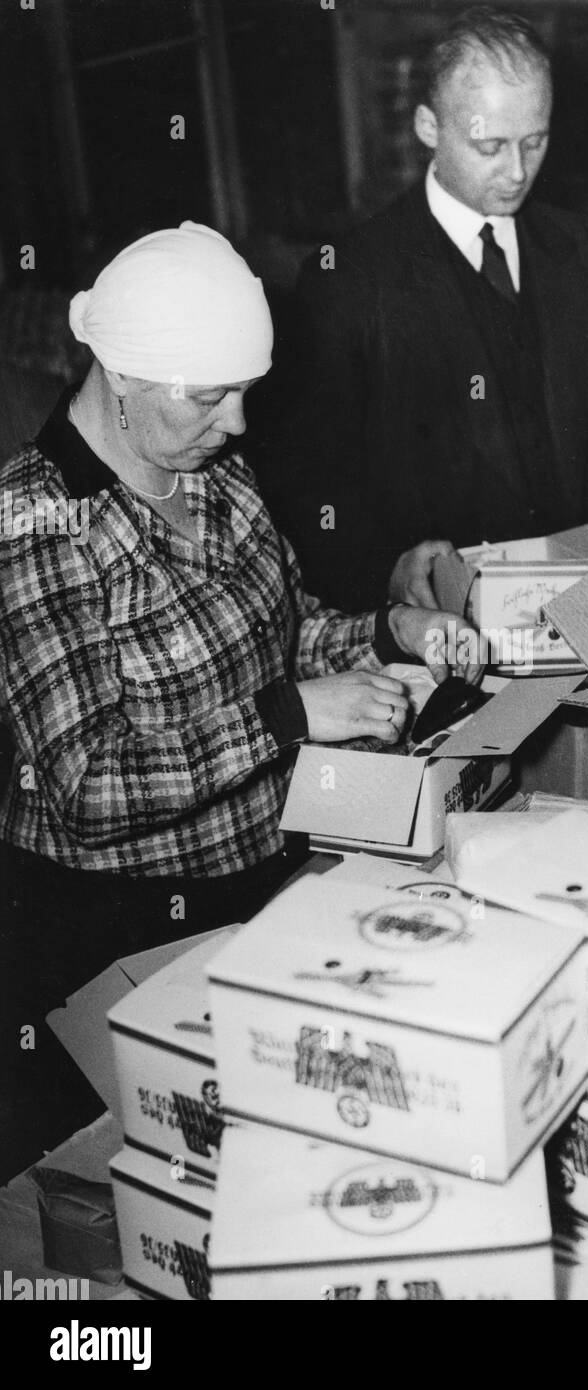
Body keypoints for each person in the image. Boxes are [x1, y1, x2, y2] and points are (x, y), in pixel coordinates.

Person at [0, 222, 479, 1177]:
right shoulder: (35, 524)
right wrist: (293, 716)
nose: (238, 423)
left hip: (257, 883)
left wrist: (391, 633)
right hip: (113, 933)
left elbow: (286, 631)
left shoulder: (211, 472)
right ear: (123, 378)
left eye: (245, 393)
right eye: (212, 395)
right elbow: (89, 789)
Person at [260, 5, 588, 614]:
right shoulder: (352, 281)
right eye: (489, 146)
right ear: (428, 126)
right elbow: (313, 481)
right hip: (452, 628)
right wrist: (388, 570)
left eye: (535, 141)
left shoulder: (583, 251)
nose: (518, 172)